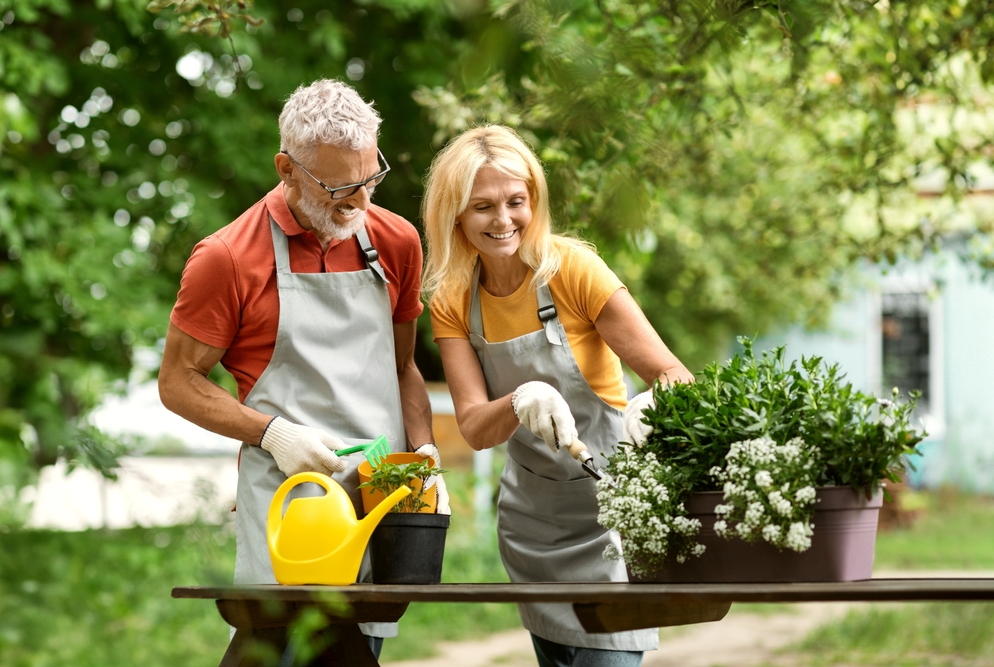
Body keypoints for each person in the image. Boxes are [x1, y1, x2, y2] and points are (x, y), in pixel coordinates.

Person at [158, 79, 448, 658]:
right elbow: (177, 382)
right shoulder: (228, 258)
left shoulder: (396, 242)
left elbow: (402, 366)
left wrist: (424, 455)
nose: (360, 202)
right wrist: (272, 432)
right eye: (339, 185)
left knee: (350, 647)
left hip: (379, 500)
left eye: (370, 179)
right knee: (282, 643)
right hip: (290, 503)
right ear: (286, 168)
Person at [422, 125, 694, 667]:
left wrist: (655, 405)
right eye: (482, 207)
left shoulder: (573, 270)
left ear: (534, 201)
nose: (503, 221)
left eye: (515, 202)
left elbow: (670, 373)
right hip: (534, 526)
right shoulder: (452, 299)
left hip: (614, 516)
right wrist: (521, 398)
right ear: (455, 216)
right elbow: (475, 428)